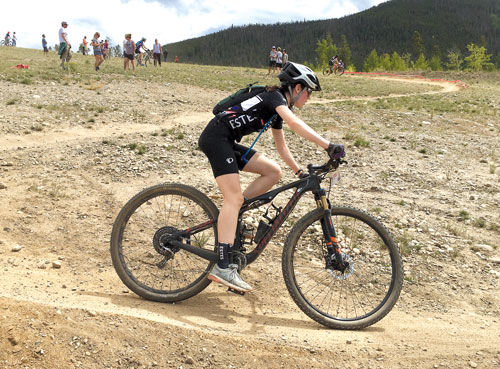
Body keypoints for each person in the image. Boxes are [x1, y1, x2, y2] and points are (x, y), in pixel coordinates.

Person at [198, 62, 343, 292]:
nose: (308, 98)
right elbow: (295, 124)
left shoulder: (278, 106)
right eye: (308, 92)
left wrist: (298, 171)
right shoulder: (275, 97)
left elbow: (280, 144)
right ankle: (222, 265)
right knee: (232, 199)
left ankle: (234, 215)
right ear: (297, 88)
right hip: (216, 139)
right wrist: (328, 146)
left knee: (273, 172)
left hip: (225, 140)